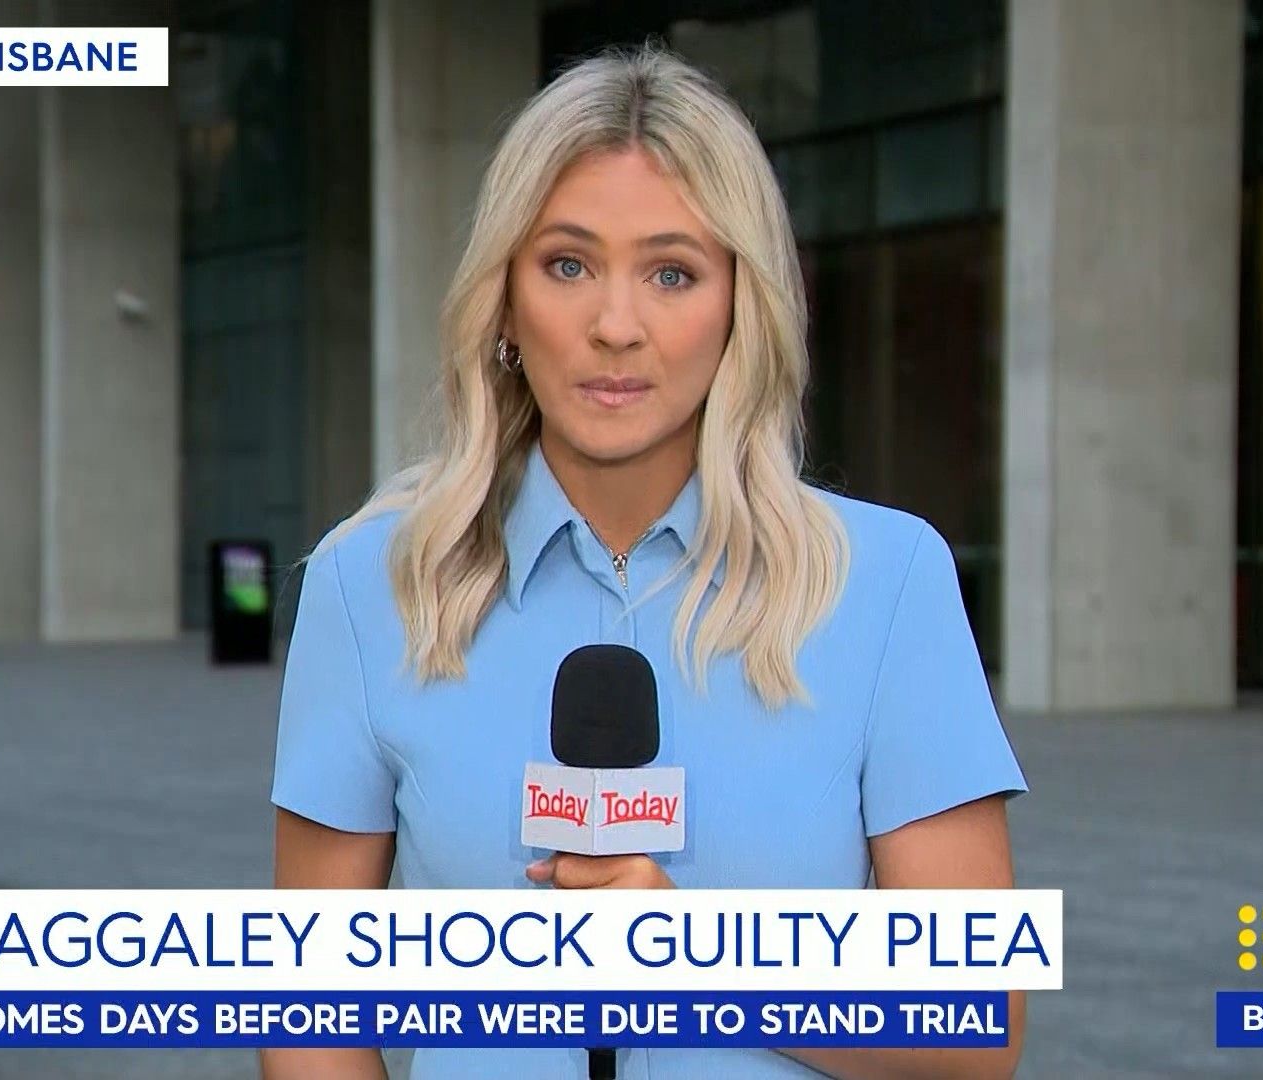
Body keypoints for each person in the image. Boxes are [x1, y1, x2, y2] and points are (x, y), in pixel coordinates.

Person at [266, 44, 1027, 1080]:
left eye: (672, 273)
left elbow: (976, 1029)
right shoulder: (370, 587)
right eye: (567, 265)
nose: (615, 327)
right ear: (504, 301)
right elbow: (310, 1017)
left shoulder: (886, 583)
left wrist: (692, 959)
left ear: (739, 306)